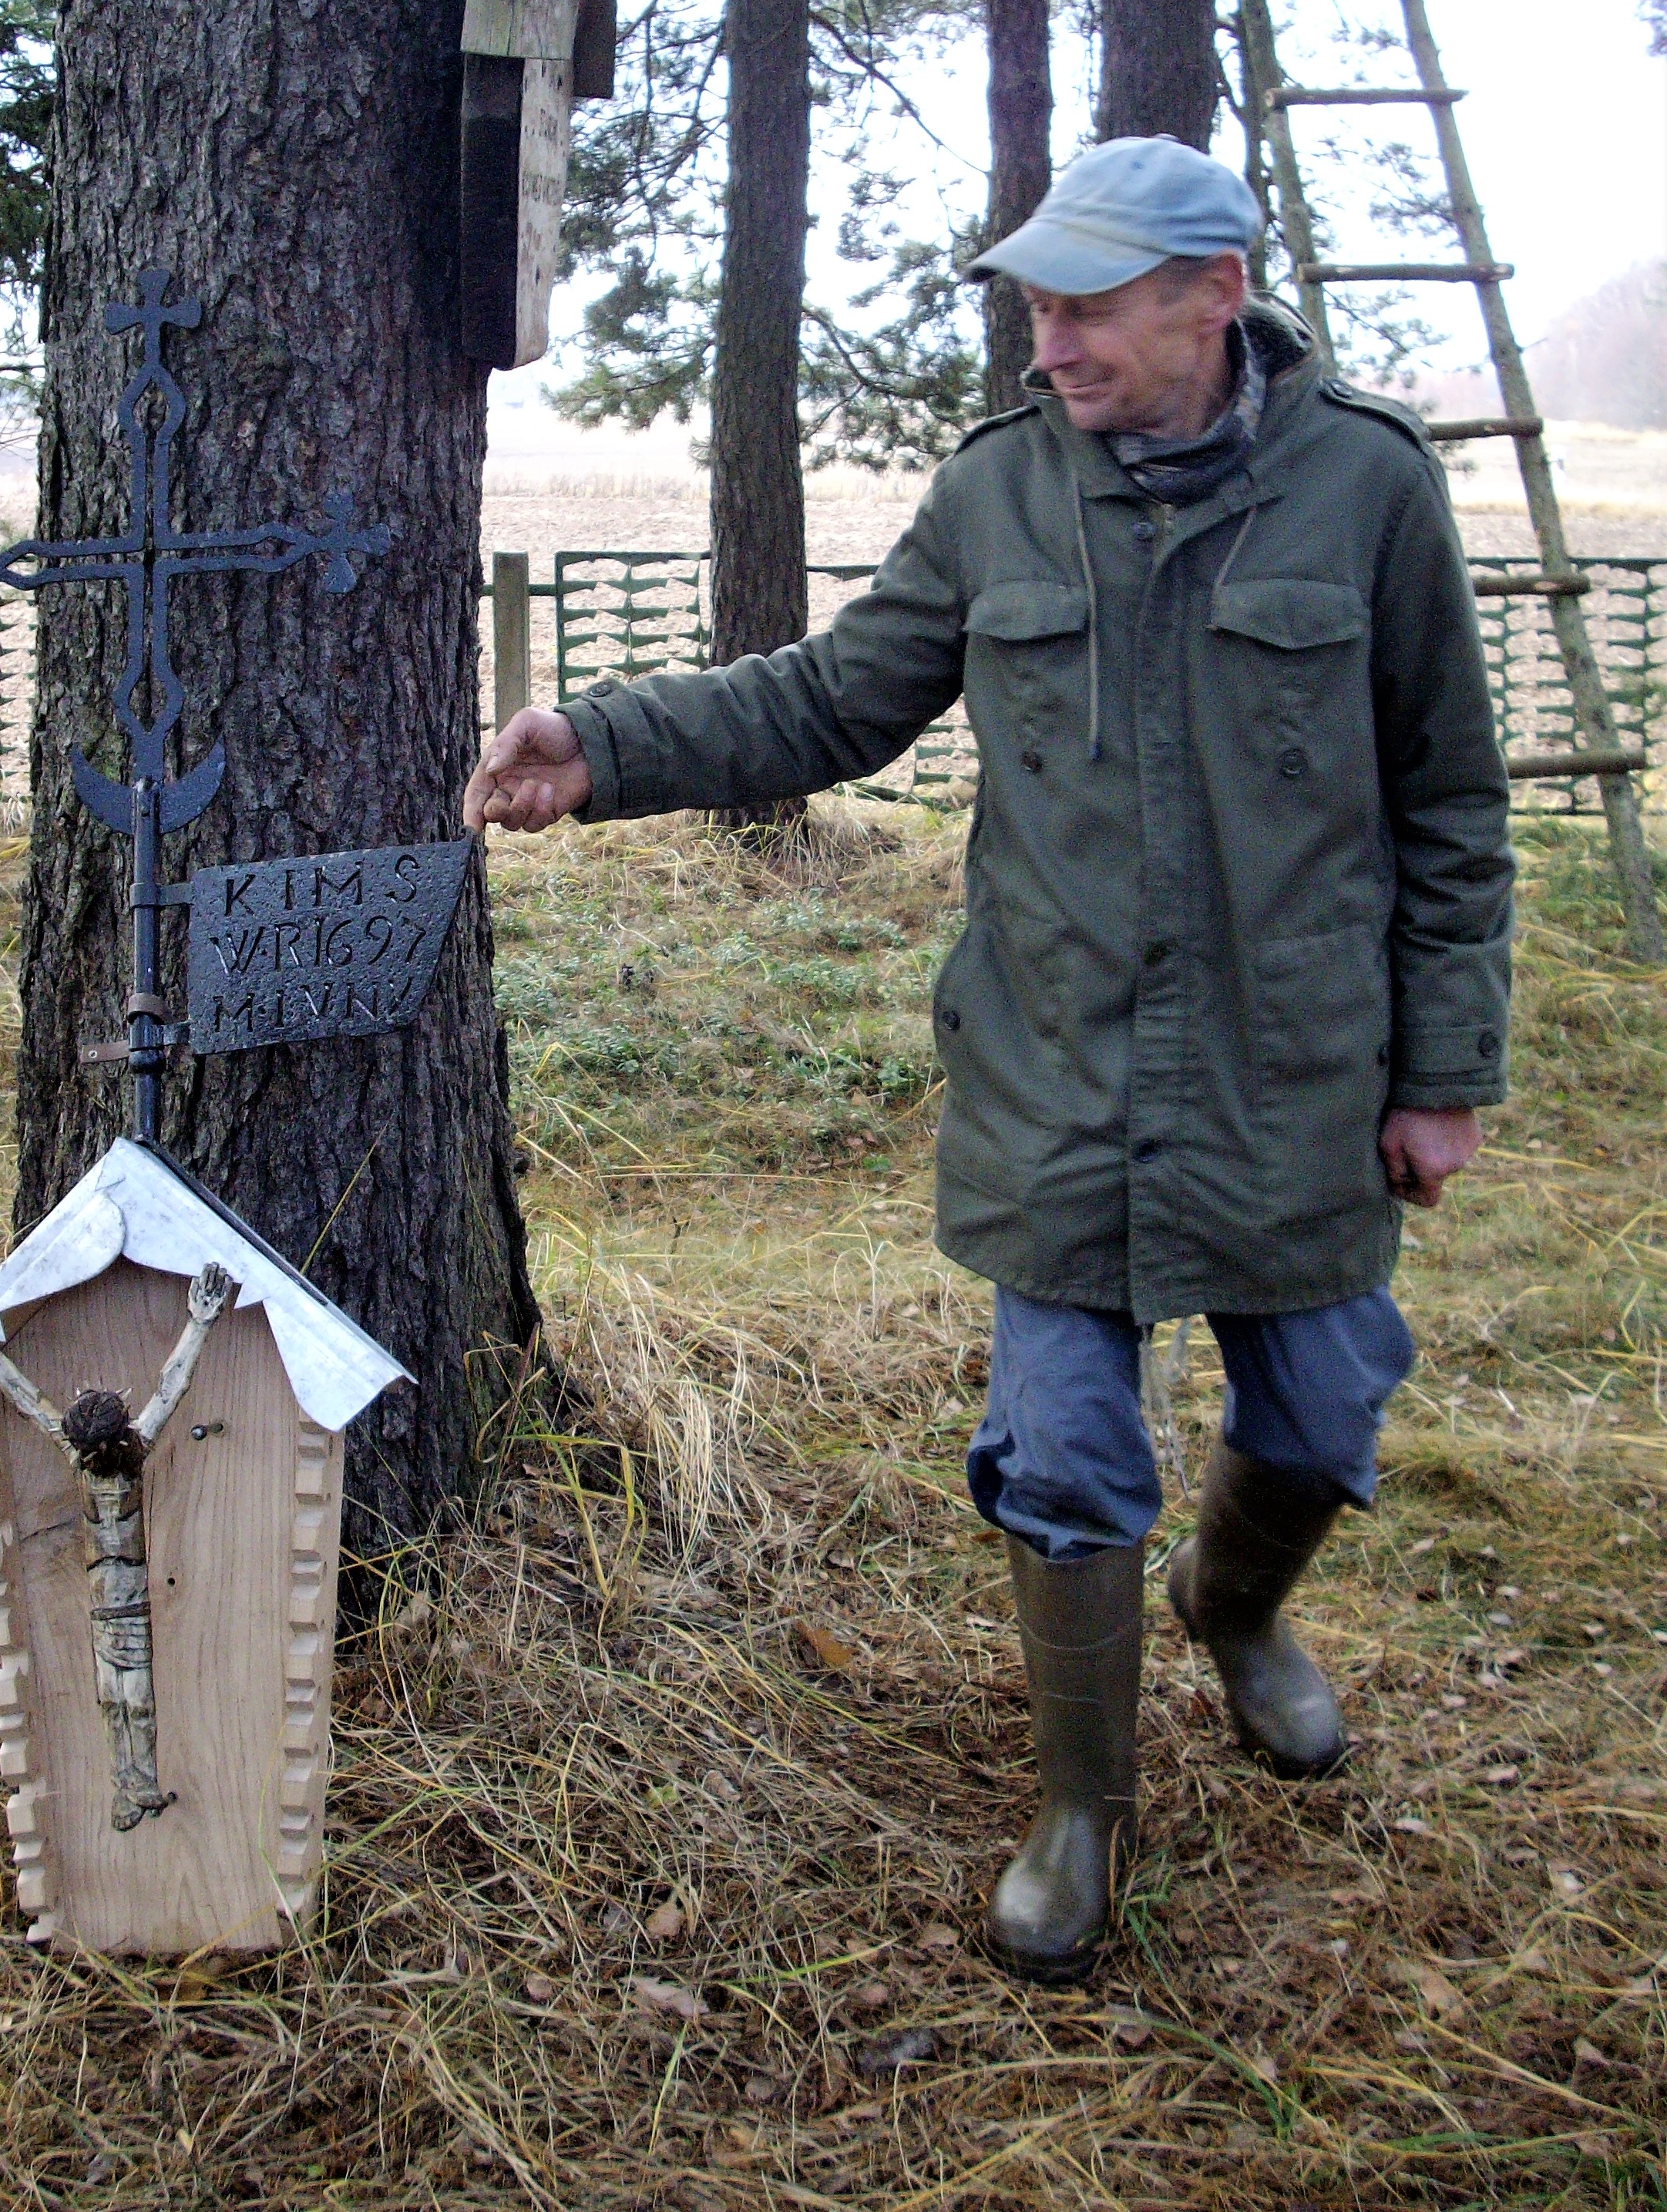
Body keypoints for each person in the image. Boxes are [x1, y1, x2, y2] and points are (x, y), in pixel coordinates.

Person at [464, 136, 1514, 1985]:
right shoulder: (1003, 496)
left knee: (1329, 1403)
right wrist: (603, 746)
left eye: (1090, 304)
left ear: (1218, 296)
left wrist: (1443, 1073)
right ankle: (1081, 1807)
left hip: (1298, 1077)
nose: (1052, 343)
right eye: (1037, 303)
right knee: (1064, 1447)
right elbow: (832, 697)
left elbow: (1448, 803)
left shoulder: (1367, 492)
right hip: (1060, 1075)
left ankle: (1236, 1611)